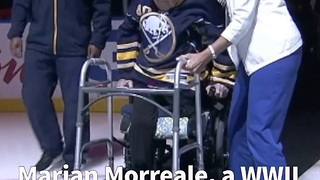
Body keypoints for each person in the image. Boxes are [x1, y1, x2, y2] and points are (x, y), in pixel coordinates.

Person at [179, 0, 303, 179]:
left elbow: (241, 20)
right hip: (250, 60)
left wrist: (206, 56)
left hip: (274, 54)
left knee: (260, 133)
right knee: (238, 130)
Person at [116, 0, 235, 176]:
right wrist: (126, 73)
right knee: (141, 123)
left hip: (186, 83)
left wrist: (220, 79)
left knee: (192, 128)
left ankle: (188, 169)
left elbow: (218, 42)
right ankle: (140, 172)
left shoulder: (203, 6)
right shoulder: (141, 5)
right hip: (148, 82)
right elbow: (127, 33)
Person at [7, 0, 111, 173]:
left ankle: (75, 153)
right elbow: (21, 2)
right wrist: (15, 32)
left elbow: (102, 5)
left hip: (75, 46)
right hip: (38, 45)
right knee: (33, 94)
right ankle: (52, 146)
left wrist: (98, 39)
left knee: (75, 101)